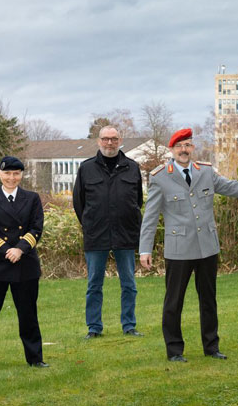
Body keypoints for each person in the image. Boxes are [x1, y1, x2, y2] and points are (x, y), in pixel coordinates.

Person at [139, 128, 238, 362]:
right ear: (172, 150)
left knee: (208, 299)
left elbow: (235, 187)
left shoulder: (206, 172)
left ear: (192, 148)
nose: (184, 150)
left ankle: (211, 346)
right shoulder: (160, 176)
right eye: (179, 146)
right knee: (173, 301)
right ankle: (175, 350)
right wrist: (145, 249)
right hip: (178, 250)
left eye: (187, 145)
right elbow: (150, 216)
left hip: (207, 247)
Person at [0, 156, 48, 373]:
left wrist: (20, 249)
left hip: (25, 264)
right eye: (7, 173)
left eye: (16, 174)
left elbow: (36, 228)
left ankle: (35, 359)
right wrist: (7, 251)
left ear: (21, 175)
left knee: (28, 316)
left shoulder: (32, 198)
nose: (11, 178)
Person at [73, 125, 145, 339]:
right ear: (99, 141)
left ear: (120, 140)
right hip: (97, 235)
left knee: (129, 284)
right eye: (105, 139)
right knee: (94, 284)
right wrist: (90, 224)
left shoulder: (132, 167)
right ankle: (94, 328)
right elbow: (79, 203)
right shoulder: (86, 169)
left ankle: (129, 325)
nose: (110, 143)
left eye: (113, 139)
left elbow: (137, 201)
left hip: (125, 234)